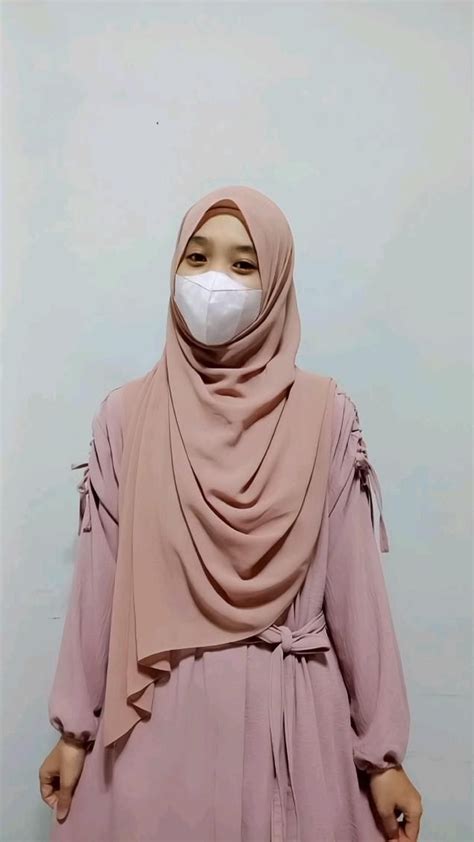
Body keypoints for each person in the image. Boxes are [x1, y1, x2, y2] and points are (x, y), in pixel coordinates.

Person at [39, 185, 423, 842]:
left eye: (244, 265)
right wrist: (74, 732)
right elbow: (99, 585)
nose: (214, 281)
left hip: (289, 728)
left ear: (276, 285)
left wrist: (382, 757)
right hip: (158, 727)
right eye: (197, 258)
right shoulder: (127, 418)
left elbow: (357, 591)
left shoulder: (325, 415)